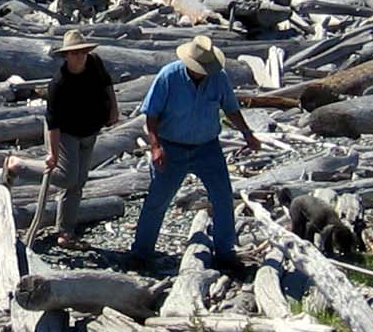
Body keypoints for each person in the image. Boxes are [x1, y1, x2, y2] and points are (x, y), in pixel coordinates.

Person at [129, 33, 261, 271]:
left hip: (207, 147)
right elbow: (151, 115)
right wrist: (156, 146)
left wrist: (247, 134)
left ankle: (225, 251)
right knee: (158, 199)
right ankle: (141, 251)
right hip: (171, 147)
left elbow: (230, 108)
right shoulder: (169, 76)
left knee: (222, 197)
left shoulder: (218, 78)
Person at [25, 30, 118, 247]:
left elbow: (107, 85)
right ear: (66, 56)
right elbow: (53, 123)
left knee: (78, 182)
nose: (80, 56)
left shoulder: (94, 62)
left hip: (90, 130)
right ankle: (18, 165)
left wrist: (114, 109)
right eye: (75, 53)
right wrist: (53, 153)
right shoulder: (59, 84)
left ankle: (65, 232)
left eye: (83, 52)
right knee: (66, 177)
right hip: (66, 133)